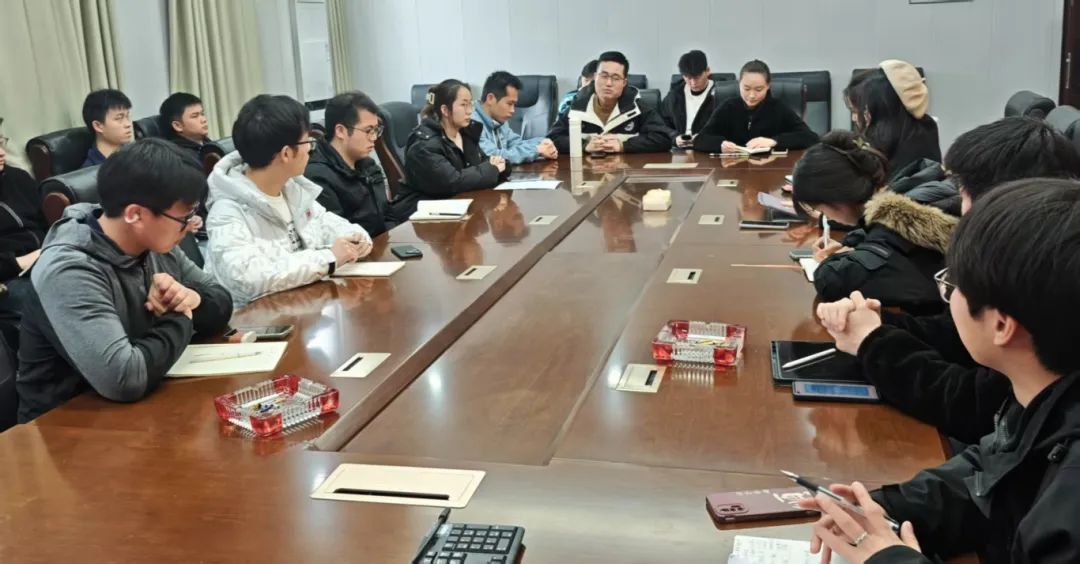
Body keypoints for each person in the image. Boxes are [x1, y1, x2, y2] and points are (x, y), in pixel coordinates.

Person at [800, 179, 1080, 564]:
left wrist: (891, 559)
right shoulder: (1044, 392)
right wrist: (887, 508)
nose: (949, 299)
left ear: (1002, 325)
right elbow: (991, 475)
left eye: (954, 286)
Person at [814, 116, 1080, 444]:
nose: (958, 206)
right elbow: (955, 335)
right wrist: (878, 323)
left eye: (964, 195)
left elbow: (977, 407)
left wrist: (874, 344)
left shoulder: (1039, 282)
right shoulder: (1037, 252)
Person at [15, 139, 232, 422]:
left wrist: (192, 298)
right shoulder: (68, 270)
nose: (191, 225)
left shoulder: (152, 242)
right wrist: (181, 315)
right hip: (69, 426)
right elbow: (124, 379)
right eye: (185, 217)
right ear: (135, 214)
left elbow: (221, 299)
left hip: (146, 406)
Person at [205, 94, 373, 307]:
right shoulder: (227, 212)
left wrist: (356, 240)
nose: (310, 149)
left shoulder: (293, 189)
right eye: (307, 142)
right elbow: (247, 277)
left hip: (304, 306)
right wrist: (329, 257)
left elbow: (332, 225)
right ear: (286, 153)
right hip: (256, 320)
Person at [793, 130, 956, 315]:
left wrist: (831, 261)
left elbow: (832, 281)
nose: (826, 217)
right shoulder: (908, 190)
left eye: (822, 211)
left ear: (836, 198)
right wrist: (851, 244)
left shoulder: (901, 220)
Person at [389, 79, 511, 220]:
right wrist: (493, 169)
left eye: (470, 104)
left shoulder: (466, 132)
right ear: (445, 110)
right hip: (422, 216)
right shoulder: (424, 145)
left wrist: (501, 165)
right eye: (463, 105)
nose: (470, 111)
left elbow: (481, 164)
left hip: (457, 207)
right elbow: (452, 182)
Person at [548, 51, 675, 155]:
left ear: (624, 83)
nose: (608, 83)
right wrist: (584, 145)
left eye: (615, 78)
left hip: (625, 172)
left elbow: (664, 139)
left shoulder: (637, 108)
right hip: (586, 173)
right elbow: (553, 138)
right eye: (604, 76)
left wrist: (623, 145)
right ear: (595, 77)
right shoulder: (577, 107)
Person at [305, 91, 391, 237]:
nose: (374, 137)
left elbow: (387, 215)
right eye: (368, 130)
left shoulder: (368, 165)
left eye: (376, 130)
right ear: (341, 131)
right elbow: (338, 236)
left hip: (383, 243)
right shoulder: (317, 177)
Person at [693, 59, 817, 154]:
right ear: (739, 84)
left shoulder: (778, 108)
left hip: (769, 170)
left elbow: (810, 137)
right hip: (734, 170)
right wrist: (720, 144)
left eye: (758, 89)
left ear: (768, 86)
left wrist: (774, 141)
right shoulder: (727, 107)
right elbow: (700, 139)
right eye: (746, 89)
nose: (752, 95)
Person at [847, 60, 940, 178]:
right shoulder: (924, 130)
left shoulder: (881, 156)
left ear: (879, 111)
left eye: (857, 111)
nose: (854, 118)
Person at [0, 133, 47, 351]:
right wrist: (20, 262)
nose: (2, 153)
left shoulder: (17, 178)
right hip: (10, 278)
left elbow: (47, 223)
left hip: (46, 258)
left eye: (1, 143)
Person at [472, 71, 558, 164]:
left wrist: (542, 142)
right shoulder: (472, 123)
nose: (513, 110)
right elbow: (494, 156)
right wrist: (537, 150)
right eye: (509, 104)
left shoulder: (499, 120)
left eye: (514, 104)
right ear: (490, 99)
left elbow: (516, 143)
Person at [661, 50, 722, 146]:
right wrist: (674, 138)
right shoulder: (674, 95)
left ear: (707, 71)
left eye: (697, 77)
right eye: (688, 78)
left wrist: (705, 139)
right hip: (680, 149)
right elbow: (662, 124)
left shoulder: (721, 93)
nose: (693, 83)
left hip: (709, 148)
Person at [81, 89, 134, 168]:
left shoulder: (134, 155)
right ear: (98, 126)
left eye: (127, 117)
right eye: (119, 118)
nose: (128, 124)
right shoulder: (90, 171)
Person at [158, 92, 211, 160]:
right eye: (195, 116)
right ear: (177, 126)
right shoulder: (178, 157)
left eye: (202, 114)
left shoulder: (207, 143)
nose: (204, 120)